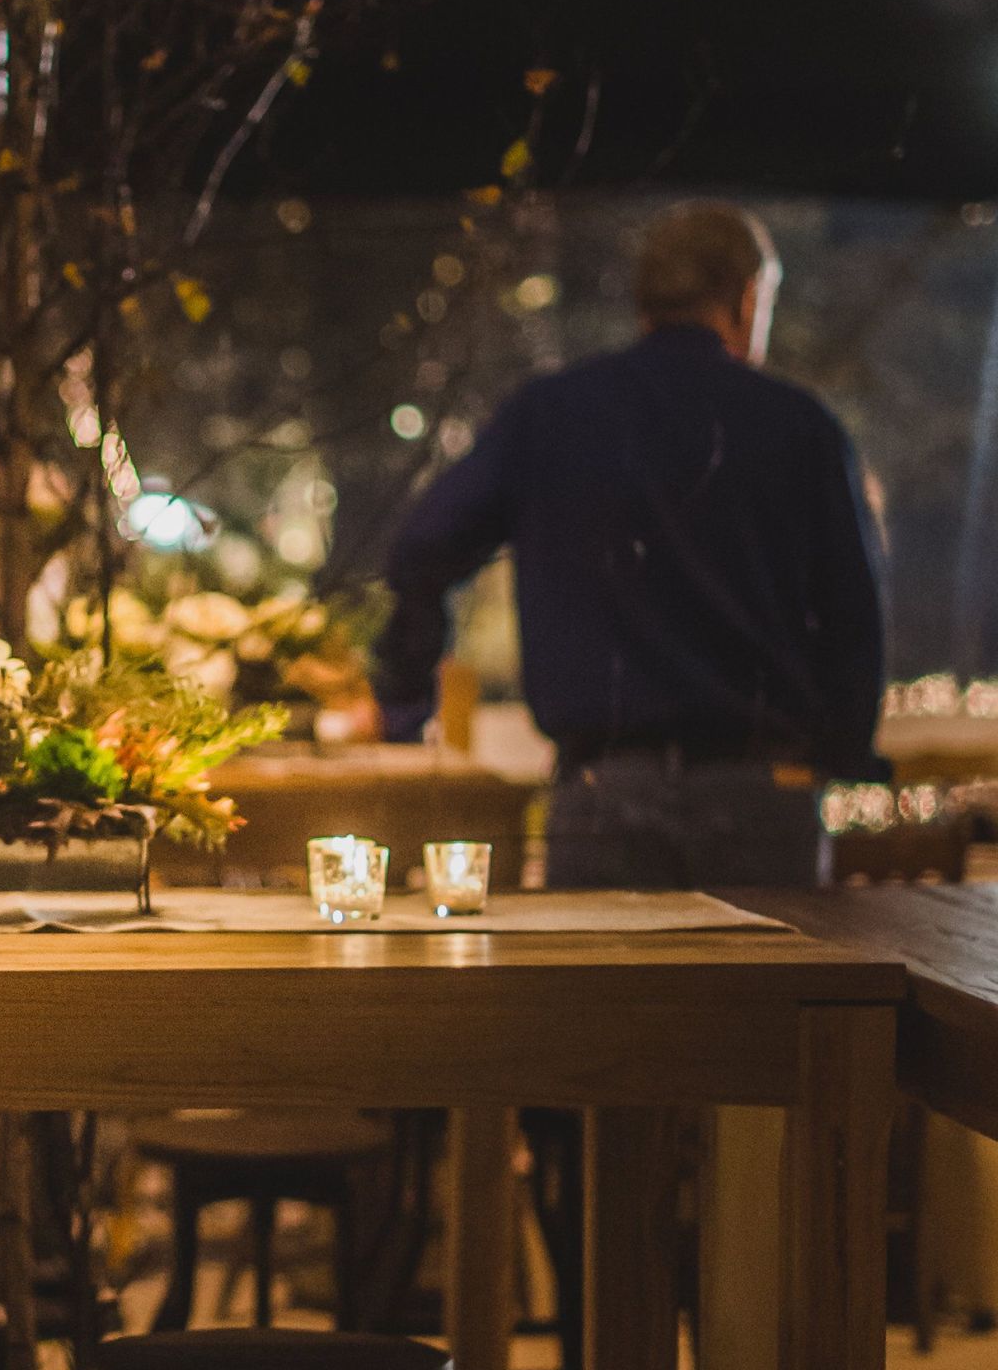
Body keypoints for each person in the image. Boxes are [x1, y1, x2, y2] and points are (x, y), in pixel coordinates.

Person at [374, 202, 887, 889]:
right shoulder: (800, 427)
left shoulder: (551, 414)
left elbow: (420, 550)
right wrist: (838, 755)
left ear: (646, 301)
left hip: (600, 793)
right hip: (762, 794)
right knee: (772, 965)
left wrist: (407, 704)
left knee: (604, 966)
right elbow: (855, 616)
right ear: (746, 299)